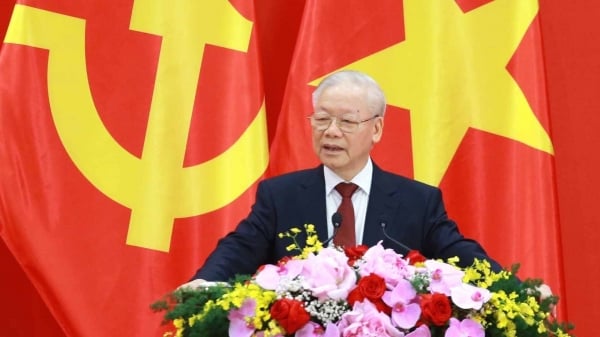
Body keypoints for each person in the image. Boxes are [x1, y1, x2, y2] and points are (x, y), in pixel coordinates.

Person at [190, 70, 501, 282]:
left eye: (347, 122)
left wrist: (514, 290)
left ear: (376, 128)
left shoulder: (417, 202)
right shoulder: (280, 197)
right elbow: (239, 248)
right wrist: (203, 284)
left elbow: (460, 254)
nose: (331, 131)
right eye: (322, 119)